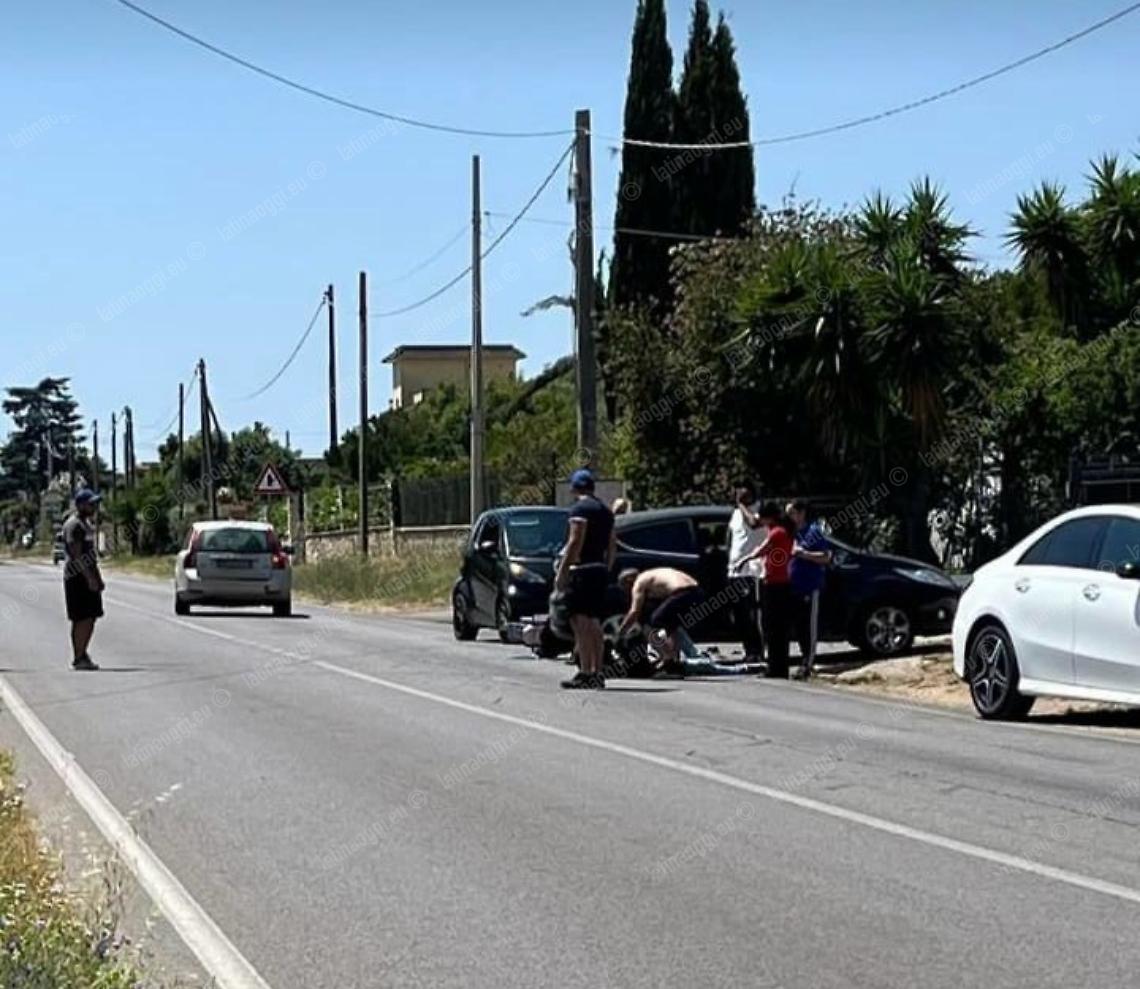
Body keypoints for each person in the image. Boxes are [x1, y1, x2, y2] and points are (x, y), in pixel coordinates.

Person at [554, 469, 616, 689]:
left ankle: (586, 670)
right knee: (594, 621)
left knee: (580, 621)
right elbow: (612, 545)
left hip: (582, 570)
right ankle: (598, 671)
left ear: (574, 488)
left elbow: (574, 541)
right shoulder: (606, 512)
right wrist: (606, 568)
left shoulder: (580, 509)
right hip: (599, 569)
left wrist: (563, 571)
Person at [739, 501, 794, 679]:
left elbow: (763, 549)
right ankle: (778, 665)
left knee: (773, 627)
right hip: (777, 582)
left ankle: (776, 667)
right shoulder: (779, 529)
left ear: (769, 517)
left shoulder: (777, 532)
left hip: (775, 584)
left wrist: (745, 559)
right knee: (776, 628)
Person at [616, 567, 707, 671]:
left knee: (654, 622)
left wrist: (621, 633)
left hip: (682, 592)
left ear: (629, 580)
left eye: (625, 588)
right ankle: (674, 661)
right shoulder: (653, 575)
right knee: (671, 625)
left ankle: (668, 660)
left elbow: (634, 612)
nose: (628, 593)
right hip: (697, 592)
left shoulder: (639, 582)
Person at [788, 499, 834, 680]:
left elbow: (825, 557)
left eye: (792, 513)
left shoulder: (813, 532)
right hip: (793, 586)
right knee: (798, 626)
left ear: (801, 513)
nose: (790, 517)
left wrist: (803, 554)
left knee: (809, 626)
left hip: (810, 585)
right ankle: (803, 659)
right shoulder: (791, 533)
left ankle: (809, 663)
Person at [62, 488, 105, 671]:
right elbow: (76, 555)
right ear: (80, 505)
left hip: (87, 576)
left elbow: (90, 555)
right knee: (82, 617)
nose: (94, 506)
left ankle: (82, 653)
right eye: (90, 503)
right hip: (77, 578)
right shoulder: (74, 525)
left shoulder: (84, 524)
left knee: (90, 616)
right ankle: (79, 656)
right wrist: (88, 578)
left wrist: (97, 577)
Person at [726, 481, 766, 664]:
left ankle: (758, 651)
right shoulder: (735, 514)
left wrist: (741, 505)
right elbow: (732, 539)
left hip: (753, 570)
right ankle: (749, 650)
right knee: (739, 615)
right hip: (735, 571)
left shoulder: (760, 509)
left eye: (743, 489)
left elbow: (753, 524)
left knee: (752, 614)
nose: (739, 492)